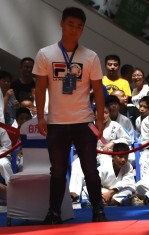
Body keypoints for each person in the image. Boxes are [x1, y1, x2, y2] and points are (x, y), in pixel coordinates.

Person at [33, 6, 107, 224]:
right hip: (56, 122)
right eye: (71, 24)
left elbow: (99, 92)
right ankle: (54, 212)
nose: (75, 30)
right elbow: (39, 89)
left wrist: (100, 120)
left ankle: (98, 210)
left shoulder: (90, 56)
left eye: (79, 27)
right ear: (62, 24)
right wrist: (40, 117)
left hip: (84, 122)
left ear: (83, 29)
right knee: (57, 170)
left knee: (90, 169)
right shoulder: (45, 54)